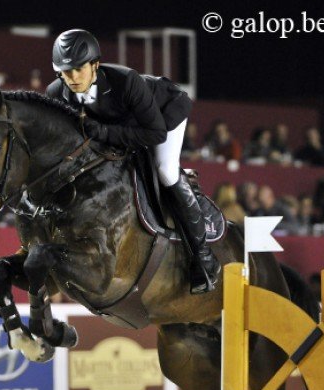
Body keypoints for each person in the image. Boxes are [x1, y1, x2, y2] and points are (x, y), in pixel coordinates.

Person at [46, 29, 220, 293]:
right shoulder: (56, 92)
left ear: (95, 65)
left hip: (163, 114)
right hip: (122, 126)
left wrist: (103, 132)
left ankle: (203, 256)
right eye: (65, 72)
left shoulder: (126, 81)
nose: (72, 78)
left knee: (165, 170)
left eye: (79, 69)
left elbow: (155, 133)